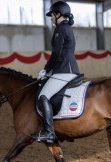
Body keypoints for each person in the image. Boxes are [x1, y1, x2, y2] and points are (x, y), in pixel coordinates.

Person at [33, 1, 80, 143]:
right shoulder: (67, 28)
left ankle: (48, 132)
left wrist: (46, 69)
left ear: (58, 14)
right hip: (68, 69)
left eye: (52, 15)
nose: (51, 18)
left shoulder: (60, 29)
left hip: (64, 71)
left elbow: (57, 54)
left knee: (43, 96)